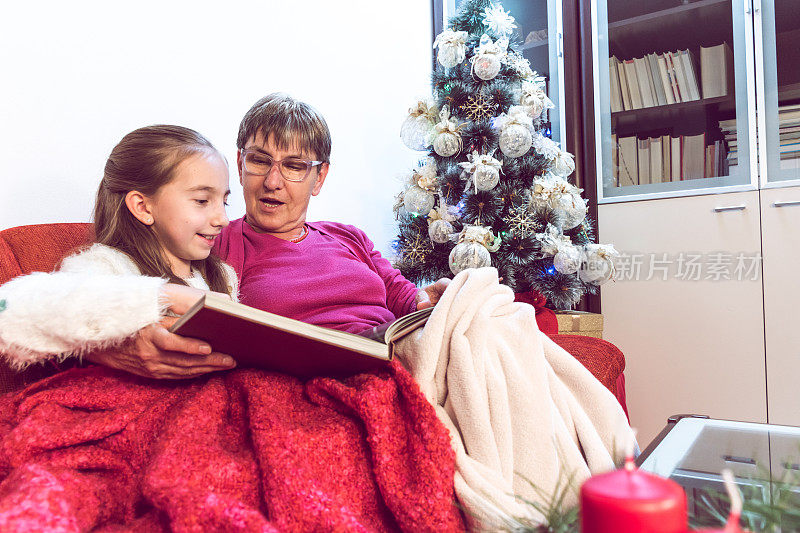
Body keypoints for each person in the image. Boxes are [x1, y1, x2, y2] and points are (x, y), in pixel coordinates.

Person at [0, 125, 239, 377]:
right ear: (143, 207)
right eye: (202, 201)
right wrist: (164, 296)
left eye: (224, 201)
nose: (223, 218)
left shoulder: (223, 275)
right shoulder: (106, 265)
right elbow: (9, 310)